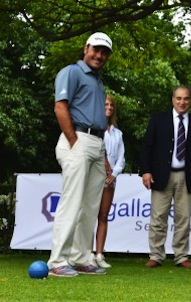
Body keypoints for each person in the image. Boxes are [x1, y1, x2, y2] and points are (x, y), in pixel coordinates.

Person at [48, 32, 113, 277]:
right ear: (85, 48)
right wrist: (73, 141)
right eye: (96, 50)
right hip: (77, 139)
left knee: (89, 206)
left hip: (96, 142)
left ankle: (81, 257)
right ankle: (57, 262)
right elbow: (60, 106)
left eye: (105, 52)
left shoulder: (97, 80)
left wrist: (101, 150)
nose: (100, 55)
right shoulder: (71, 72)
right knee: (72, 202)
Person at [139, 85, 191, 269]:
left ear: (190, 100)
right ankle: (156, 255)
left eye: (186, 98)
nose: (182, 102)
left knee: (183, 219)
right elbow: (147, 146)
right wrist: (146, 171)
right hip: (161, 176)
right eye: (178, 98)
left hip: (187, 176)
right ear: (173, 100)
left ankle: (181, 256)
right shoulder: (158, 119)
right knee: (158, 217)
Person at [93, 94, 125, 268]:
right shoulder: (91, 128)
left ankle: (99, 255)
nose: (109, 107)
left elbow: (121, 158)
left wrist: (114, 173)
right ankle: (85, 254)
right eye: (106, 104)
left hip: (110, 180)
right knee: (89, 216)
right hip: (94, 177)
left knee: (103, 216)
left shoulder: (117, 133)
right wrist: (106, 170)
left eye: (111, 105)